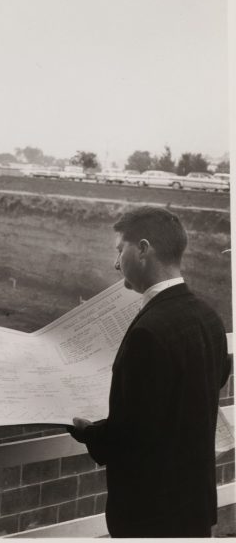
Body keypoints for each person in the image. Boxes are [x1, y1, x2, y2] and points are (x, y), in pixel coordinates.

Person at [68, 206, 230, 537]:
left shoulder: (148, 332)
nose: (116, 264)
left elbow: (132, 434)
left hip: (150, 514)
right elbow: (211, 383)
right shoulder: (209, 317)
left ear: (143, 249)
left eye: (119, 250)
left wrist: (88, 432)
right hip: (194, 506)